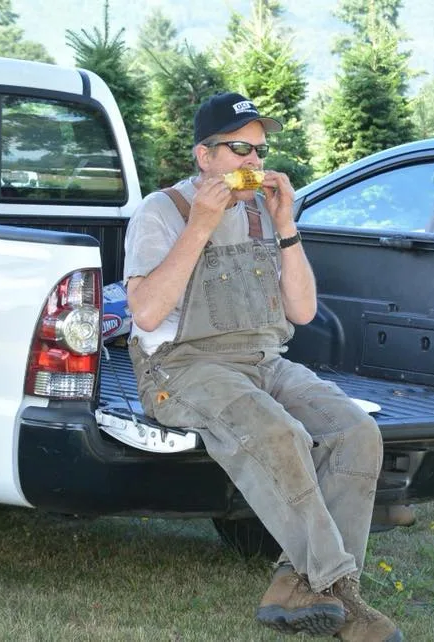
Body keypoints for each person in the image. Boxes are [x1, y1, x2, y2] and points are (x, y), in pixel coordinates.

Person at [123, 91, 402, 642]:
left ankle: (295, 583)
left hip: (263, 360)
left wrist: (285, 224)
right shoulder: (163, 212)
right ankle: (342, 595)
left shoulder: (260, 213)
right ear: (205, 157)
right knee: (278, 432)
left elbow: (301, 311)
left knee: (357, 432)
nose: (254, 162)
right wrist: (200, 225)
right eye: (239, 149)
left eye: (259, 150)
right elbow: (147, 310)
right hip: (181, 369)